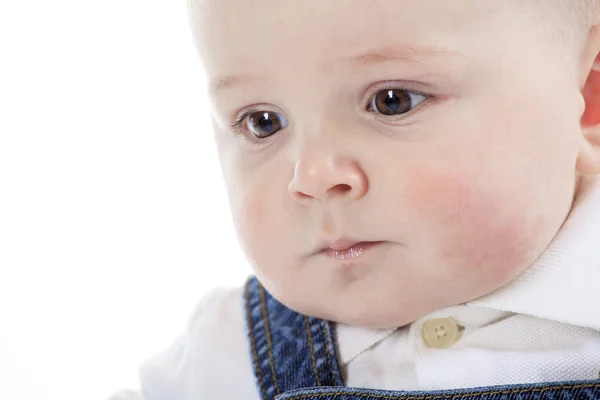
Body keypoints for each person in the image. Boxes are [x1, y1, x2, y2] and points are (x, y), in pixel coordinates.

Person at [109, 0, 600, 399]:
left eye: (393, 100)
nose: (312, 176)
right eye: (263, 122)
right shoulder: (224, 355)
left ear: (588, 96)